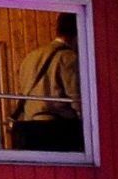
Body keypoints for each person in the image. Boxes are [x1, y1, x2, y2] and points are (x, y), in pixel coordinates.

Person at [6, 10, 83, 151]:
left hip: (30, 131)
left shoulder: (30, 58)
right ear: (79, 33)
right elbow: (78, 101)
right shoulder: (68, 57)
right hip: (57, 131)